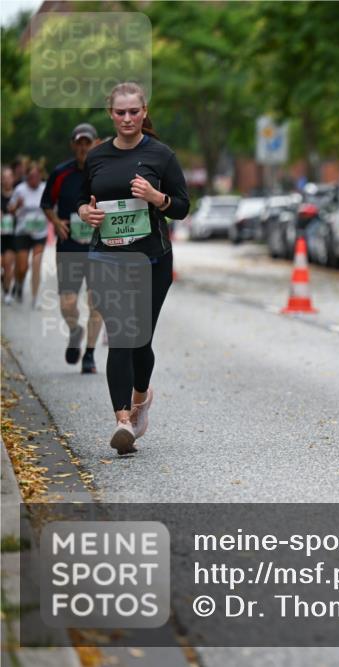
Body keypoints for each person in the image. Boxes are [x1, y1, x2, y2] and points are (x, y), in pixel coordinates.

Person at [76, 82, 189, 454]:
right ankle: (122, 420)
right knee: (121, 337)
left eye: (133, 112)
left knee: (140, 340)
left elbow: (183, 207)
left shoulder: (161, 155)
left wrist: (157, 198)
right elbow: (80, 199)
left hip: (152, 260)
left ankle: (141, 399)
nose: (127, 118)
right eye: (120, 112)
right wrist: (85, 213)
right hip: (107, 258)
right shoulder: (96, 157)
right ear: (111, 114)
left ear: (144, 112)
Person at [41, 123, 104, 373]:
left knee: (96, 302)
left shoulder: (104, 171)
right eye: (78, 143)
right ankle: (75, 331)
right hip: (69, 246)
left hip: (98, 247)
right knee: (67, 303)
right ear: (72, 145)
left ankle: (89, 354)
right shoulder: (61, 173)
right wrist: (56, 222)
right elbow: (46, 203)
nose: (82, 147)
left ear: (96, 143)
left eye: (87, 143)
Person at [8, 161, 49, 308]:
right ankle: (18, 285)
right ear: (27, 177)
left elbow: (51, 208)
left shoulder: (45, 189)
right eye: (31, 176)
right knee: (22, 267)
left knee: (36, 264)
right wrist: (17, 206)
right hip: (23, 232)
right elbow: (11, 210)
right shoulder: (20, 189)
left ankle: (35, 297)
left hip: (40, 232)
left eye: (37, 176)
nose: (35, 179)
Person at [2, 167, 15, 304]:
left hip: (12, 236)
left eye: (8, 177)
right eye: (3, 177)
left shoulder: (17, 195)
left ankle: (7, 292)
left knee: (7, 265)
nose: (6, 180)